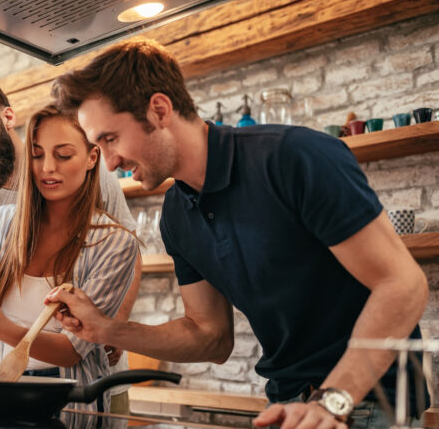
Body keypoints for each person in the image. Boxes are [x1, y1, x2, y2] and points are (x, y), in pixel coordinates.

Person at [45, 38, 429, 429]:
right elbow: (209, 337)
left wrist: (331, 402)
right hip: (287, 402)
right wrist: (108, 330)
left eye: (110, 139)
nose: (109, 163)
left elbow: (403, 284)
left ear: (159, 110)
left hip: (367, 398)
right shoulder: (177, 214)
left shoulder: (293, 157)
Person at [0, 78, 142, 413]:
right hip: (5, 379)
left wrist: (113, 328)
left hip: (89, 378)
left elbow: (127, 254)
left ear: (8, 117)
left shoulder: (89, 175)